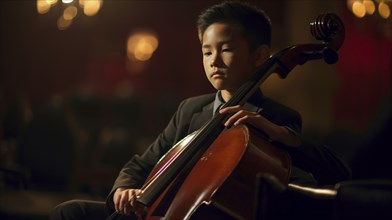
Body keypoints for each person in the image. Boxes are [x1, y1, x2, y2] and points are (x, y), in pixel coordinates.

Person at [50, 1, 351, 219]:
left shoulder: (278, 118)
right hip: (159, 209)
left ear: (260, 55)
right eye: (207, 51)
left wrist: (276, 133)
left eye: (227, 49)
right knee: (71, 212)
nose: (214, 60)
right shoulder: (190, 109)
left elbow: (337, 171)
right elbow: (141, 165)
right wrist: (122, 190)